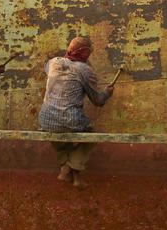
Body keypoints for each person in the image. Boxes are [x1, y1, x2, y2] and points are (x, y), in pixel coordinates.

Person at [38, 36, 114, 189]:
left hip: (45, 119)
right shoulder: (85, 70)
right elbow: (98, 101)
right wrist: (107, 93)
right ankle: (71, 168)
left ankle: (69, 172)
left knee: (59, 136)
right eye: (89, 53)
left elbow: (50, 69)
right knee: (90, 136)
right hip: (70, 120)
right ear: (84, 53)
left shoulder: (53, 63)